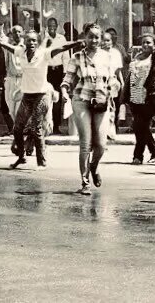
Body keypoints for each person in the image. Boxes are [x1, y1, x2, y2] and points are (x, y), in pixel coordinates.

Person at [0, 21, 77, 169]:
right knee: (17, 129)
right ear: (24, 42)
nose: (31, 42)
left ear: (38, 43)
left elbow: (62, 47)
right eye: (28, 40)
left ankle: (41, 162)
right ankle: (21, 157)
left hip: (42, 95)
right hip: (27, 95)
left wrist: (79, 42)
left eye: (34, 40)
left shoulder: (44, 54)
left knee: (36, 128)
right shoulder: (21, 52)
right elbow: (1, 42)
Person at [60, 24, 115, 195]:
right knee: (86, 143)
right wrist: (64, 92)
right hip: (81, 100)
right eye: (90, 36)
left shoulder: (107, 56)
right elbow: (67, 80)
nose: (94, 40)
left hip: (101, 101)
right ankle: (85, 183)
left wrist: (113, 88)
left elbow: (112, 79)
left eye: (97, 37)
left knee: (101, 145)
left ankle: (94, 167)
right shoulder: (77, 57)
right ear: (85, 37)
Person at [124, 27, 155, 165]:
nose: (145, 45)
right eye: (143, 43)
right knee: (141, 127)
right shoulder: (137, 58)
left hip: (149, 98)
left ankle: (138, 156)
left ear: (154, 45)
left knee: (139, 126)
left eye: (149, 43)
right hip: (135, 97)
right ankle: (154, 151)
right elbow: (131, 77)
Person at [42, 17, 68, 135]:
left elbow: (65, 56)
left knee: (57, 99)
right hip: (47, 71)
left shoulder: (61, 38)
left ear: (57, 26)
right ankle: (46, 126)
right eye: (49, 25)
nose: (52, 27)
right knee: (46, 98)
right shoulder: (43, 39)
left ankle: (56, 126)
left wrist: (65, 73)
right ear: (47, 26)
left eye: (54, 25)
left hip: (58, 71)